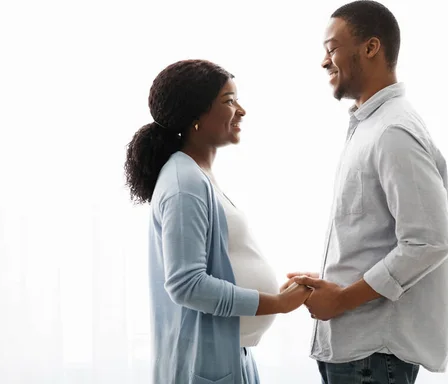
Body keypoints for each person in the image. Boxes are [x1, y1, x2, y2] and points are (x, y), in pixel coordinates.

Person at [283, 0, 448, 384]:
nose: (324, 62)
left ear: (371, 47)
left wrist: (342, 298)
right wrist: (333, 279)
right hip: (358, 353)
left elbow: (429, 242)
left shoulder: (394, 131)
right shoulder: (371, 127)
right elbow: (374, 237)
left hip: (374, 357)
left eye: (331, 48)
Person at [124, 59, 312, 384]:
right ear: (196, 115)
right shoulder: (185, 182)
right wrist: (276, 304)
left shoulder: (197, 175)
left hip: (229, 355)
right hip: (205, 368)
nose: (241, 110)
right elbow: (187, 285)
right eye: (228, 101)